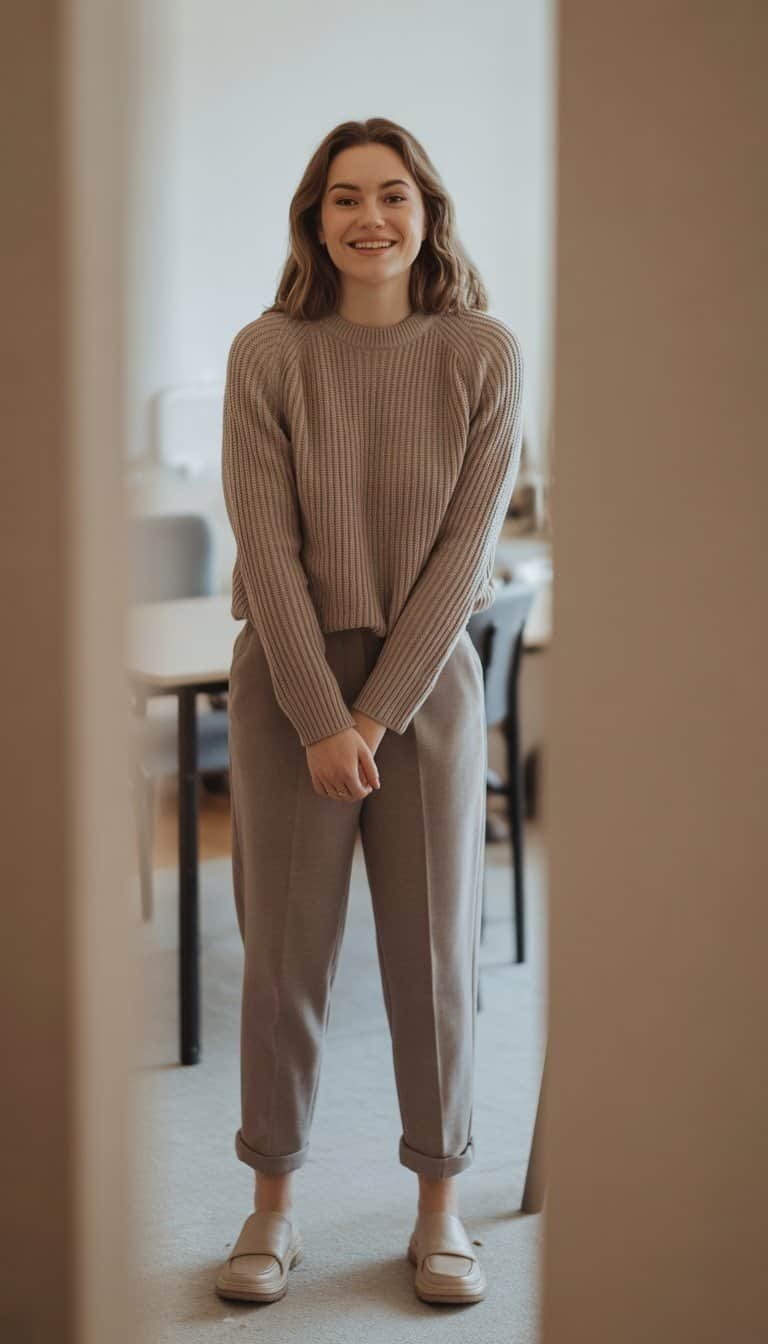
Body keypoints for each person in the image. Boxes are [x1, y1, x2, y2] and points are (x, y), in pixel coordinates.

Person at [215, 116, 523, 1308]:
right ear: (314, 220)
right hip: (290, 681)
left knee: (433, 957)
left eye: (393, 196)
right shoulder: (268, 353)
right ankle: (270, 1206)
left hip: (426, 680)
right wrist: (319, 716)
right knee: (282, 958)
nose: (370, 219)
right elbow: (267, 543)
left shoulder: (483, 352)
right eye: (344, 199)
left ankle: (439, 1212)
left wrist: (378, 717)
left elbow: (466, 550)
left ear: (430, 213)